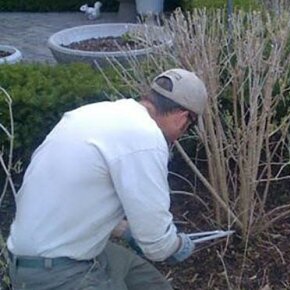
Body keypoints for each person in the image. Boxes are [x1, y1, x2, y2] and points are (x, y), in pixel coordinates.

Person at [6, 68, 208, 290]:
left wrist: (124, 230)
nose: (180, 135)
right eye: (187, 128)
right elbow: (156, 245)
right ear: (183, 118)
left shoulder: (95, 114)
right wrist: (177, 245)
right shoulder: (146, 138)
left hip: (32, 257)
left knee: (149, 283)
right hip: (57, 273)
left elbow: (75, 199)